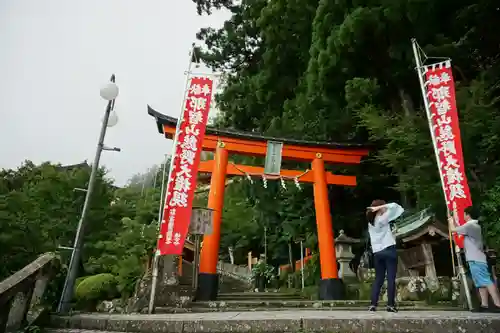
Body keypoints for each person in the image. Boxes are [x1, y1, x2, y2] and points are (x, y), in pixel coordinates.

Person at [449, 206, 500, 312]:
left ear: (468, 215)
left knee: (486, 281)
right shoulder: (473, 226)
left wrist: (450, 221)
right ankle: (484, 304)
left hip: (476, 258)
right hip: (475, 258)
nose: (463, 216)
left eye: (464, 214)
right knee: (480, 283)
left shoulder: (471, 225)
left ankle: (497, 303)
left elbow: (454, 229)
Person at [366, 199, 404, 313]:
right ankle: (390, 305)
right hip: (389, 250)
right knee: (391, 278)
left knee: (379, 279)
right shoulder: (383, 218)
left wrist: (377, 209)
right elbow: (397, 207)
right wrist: (383, 207)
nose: (385, 208)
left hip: (377, 253)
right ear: (379, 208)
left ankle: (373, 304)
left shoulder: (370, 223)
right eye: (383, 206)